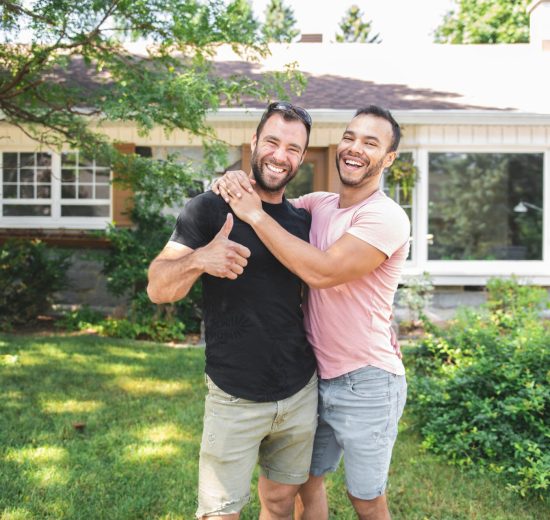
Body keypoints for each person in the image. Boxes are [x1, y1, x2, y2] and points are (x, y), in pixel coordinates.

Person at [213, 105, 410, 520]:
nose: (355, 149)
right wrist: (236, 178)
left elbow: (322, 272)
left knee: (366, 499)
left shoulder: (385, 217)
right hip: (314, 377)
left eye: (371, 143)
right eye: (350, 137)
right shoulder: (319, 204)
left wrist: (252, 213)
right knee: (306, 482)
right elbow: (271, 195)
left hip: (367, 379)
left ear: (388, 159)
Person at [147, 101, 319, 520]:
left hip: (299, 391)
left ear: (301, 158)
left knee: (280, 503)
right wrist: (200, 259)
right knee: (219, 513)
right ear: (254, 142)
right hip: (234, 394)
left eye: (293, 148)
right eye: (273, 141)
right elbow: (157, 286)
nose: (280, 155)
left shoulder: (302, 220)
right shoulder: (209, 208)